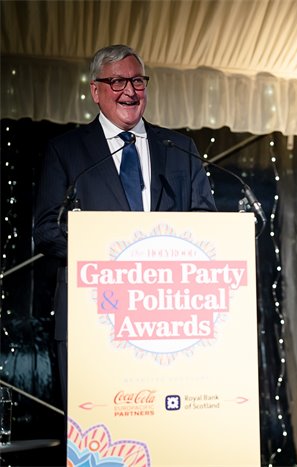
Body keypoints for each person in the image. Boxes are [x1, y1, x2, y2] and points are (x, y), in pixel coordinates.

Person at [33, 44, 217, 412]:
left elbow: (206, 223)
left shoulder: (179, 147)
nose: (130, 91)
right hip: (95, 314)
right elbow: (46, 229)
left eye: (137, 81)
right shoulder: (66, 151)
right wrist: (117, 258)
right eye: (117, 82)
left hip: (168, 319)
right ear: (96, 91)